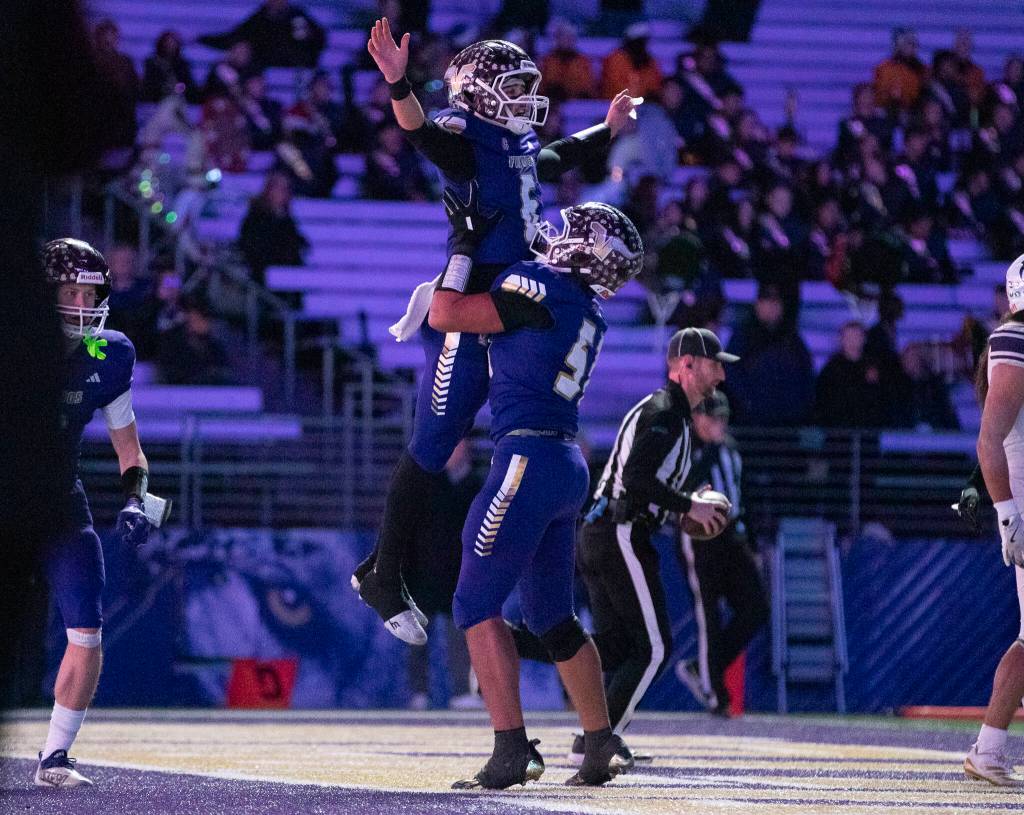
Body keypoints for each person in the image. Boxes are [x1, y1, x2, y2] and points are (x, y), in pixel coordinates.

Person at [352, 18, 639, 644]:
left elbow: (559, 156)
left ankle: (408, 570)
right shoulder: (467, 141)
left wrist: (606, 131)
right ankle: (383, 569)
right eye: (511, 86)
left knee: (484, 422)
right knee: (436, 440)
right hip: (469, 303)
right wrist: (400, 85)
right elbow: (422, 136)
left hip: (502, 302)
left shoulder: (514, 145)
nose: (526, 98)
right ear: (478, 95)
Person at [430, 192, 645, 790]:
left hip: (523, 459)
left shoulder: (542, 288)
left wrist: (463, 247)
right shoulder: (587, 310)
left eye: (577, 230)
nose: (562, 231)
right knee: (553, 614)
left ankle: (512, 749)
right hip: (564, 461)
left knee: (474, 604)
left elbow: (445, 313)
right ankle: (601, 742)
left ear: (587, 254)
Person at [576, 326, 735, 762]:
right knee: (655, 647)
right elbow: (636, 480)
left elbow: (640, 479)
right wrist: (688, 505)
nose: (720, 376)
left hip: (606, 531)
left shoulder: (668, 412)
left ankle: (512, 647)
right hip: (619, 531)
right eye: (714, 365)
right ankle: (597, 743)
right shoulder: (667, 412)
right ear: (686, 365)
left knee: (616, 647)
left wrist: (679, 507)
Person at [33, 239, 155, 787]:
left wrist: (137, 498)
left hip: (58, 497)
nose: (82, 304)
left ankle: (55, 756)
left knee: (86, 624)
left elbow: (131, 453)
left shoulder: (108, 355)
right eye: (70, 291)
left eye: (90, 293)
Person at [963, 253, 1024, 786]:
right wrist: (1008, 513)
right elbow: (990, 436)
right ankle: (987, 748)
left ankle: (989, 747)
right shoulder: (1013, 339)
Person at [674, 390, 768, 717]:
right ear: (697, 418)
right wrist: (712, 449)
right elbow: (684, 486)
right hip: (698, 539)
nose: (719, 425)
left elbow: (743, 495)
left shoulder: (731, 449)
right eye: (713, 418)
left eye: (723, 419)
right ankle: (716, 693)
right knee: (708, 615)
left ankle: (704, 669)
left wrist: (753, 542)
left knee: (756, 607)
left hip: (732, 536)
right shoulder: (688, 448)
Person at [198, 0, 325, 69]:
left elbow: (321, 38)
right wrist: (202, 39)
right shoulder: (259, 19)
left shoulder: (298, 16)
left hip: (298, 67)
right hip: (267, 69)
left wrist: (310, 36)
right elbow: (233, 37)